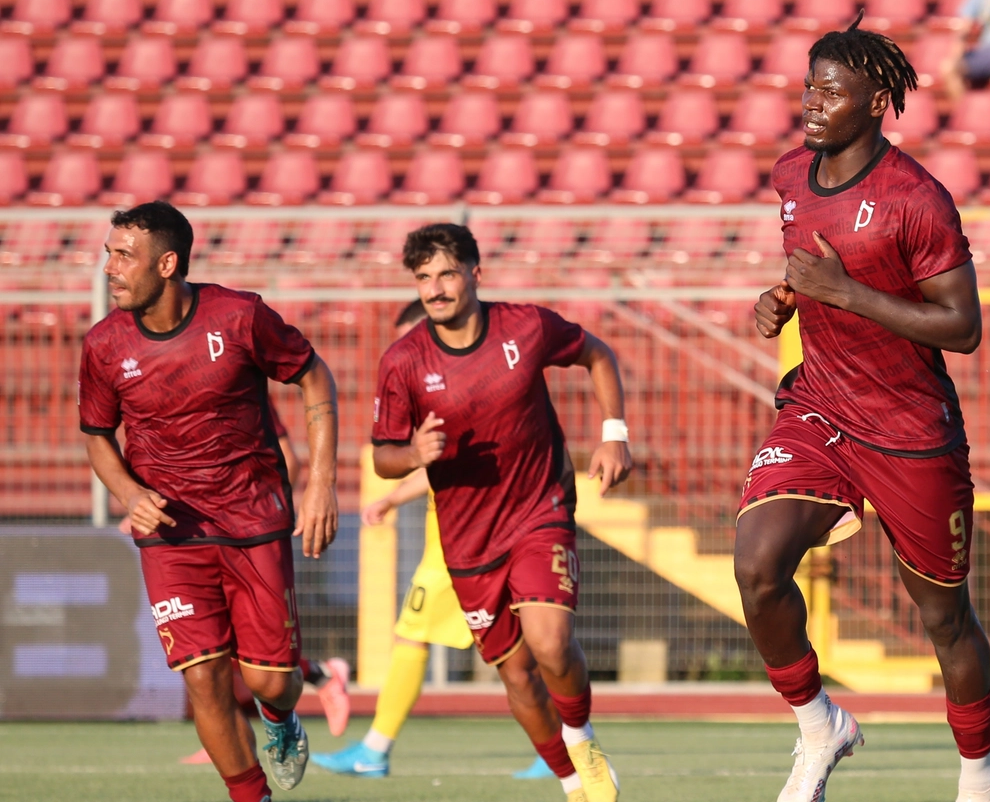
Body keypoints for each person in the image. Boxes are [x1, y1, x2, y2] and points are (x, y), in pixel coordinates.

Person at [739, 13, 990, 802]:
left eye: (831, 89)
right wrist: (783, 297)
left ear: (877, 97)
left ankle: (979, 772)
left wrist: (844, 293)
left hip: (909, 430)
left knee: (944, 620)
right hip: (820, 406)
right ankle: (821, 725)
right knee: (756, 564)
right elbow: (814, 270)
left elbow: (964, 326)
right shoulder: (791, 174)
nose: (812, 101)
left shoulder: (916, 198)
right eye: (808, 85)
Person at [80, 201, 340, 802]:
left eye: (124, 256)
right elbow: (96, 436)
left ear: (167, 263)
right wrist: (129, 492)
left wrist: (322, 481)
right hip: (170, 535)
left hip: (252, 519)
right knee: (203, 681)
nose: (110, 269)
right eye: (108, 255)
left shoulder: (240, 315)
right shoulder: (103, 344)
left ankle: (281, 719)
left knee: (271, 682)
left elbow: (314, 376)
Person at [370, 224, 632, 802]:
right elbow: (382, 455)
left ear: (474, 274)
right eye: (423, 278)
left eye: (445, 273)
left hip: (541, 507)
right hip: (466, 541)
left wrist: (614, 435)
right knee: (515, 675)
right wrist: (412, 454)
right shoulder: (403, 361)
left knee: (551, 642)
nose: (435, 289)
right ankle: (570, 783)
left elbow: (597, 353)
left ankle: (582, 740)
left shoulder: (526, 326)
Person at [315, 300, 550, 781]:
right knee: (528, 645)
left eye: (414, 339)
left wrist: (394, 498)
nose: (410, 352)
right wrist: (396, 495)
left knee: (415, 636)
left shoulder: (459, 389)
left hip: (463, 540)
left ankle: (375, 750)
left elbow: (456, 463)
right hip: (463, 534)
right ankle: (563, 746)